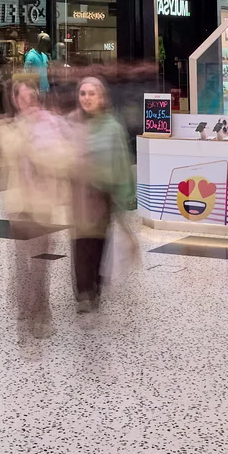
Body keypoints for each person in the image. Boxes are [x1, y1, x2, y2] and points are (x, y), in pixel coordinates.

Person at [0, 77, 72, 339]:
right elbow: (12, 150)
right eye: (22, 98)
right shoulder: (3, 126)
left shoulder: (50, 124)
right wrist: (34, 130)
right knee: (22, 258)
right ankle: (27, 308)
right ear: (14, 100)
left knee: (41, 261)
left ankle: (41, 309)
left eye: (31, 98)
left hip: (43, 201)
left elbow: (61, 158)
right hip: (18, 203)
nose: (28, 103)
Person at [70, 76, 133, 313]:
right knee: (82, 244)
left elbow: (121, 162)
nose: (86, 98)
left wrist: (124, 195)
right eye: (83, 93)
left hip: (103, 196)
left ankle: (92, 287)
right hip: (80, 194)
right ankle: (84, 291)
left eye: (91, 93)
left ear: (102, 97)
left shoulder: (113, 128)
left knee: (97, 244)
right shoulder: (74, 124)